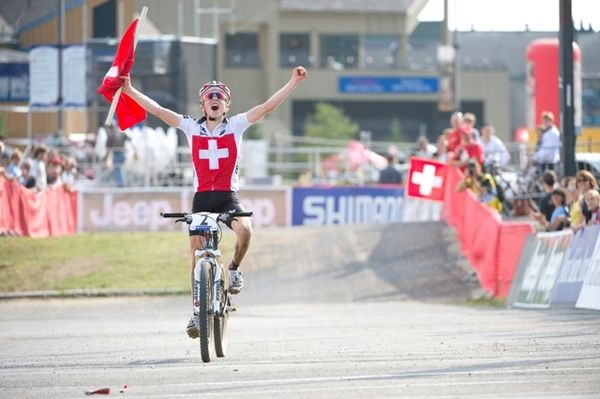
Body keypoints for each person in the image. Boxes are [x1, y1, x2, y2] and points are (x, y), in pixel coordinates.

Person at [120, 66, 308, 338]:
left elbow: (268, 106)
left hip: (227, 197)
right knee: (196, 257)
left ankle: (233, 270)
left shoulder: (237, 125)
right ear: (203, 103)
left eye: (220, 95)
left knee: (246, 231)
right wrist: (129, 90)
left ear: (227, 105)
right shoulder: (190, 127)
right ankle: (197, 313)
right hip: (202, 200)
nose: (215, 98)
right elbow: (158, 110)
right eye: (210, 96)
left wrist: (293, 82)